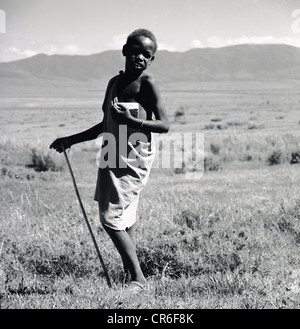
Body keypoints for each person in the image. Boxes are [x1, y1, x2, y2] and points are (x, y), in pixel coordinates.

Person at [50, 28, 169, 291]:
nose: (139, 57)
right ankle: (130, 274)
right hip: (111, 152)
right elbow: (105, 124)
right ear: (125, 51)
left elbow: (164, 125)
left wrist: (133, 120)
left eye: (146, 55)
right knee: (125, 216)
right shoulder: (113, 84)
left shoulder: (146, 83)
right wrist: (70, 139)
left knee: (110, 218)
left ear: (151, 59)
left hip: (133, 157)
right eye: (135, 51)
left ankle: (138, 279)